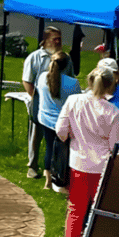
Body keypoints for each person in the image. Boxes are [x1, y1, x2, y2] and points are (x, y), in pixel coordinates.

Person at [55, 65, 119, 237]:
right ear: (111, 85)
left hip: (79, 162)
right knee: (100, 211)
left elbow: (60, 130)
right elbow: (115, 146)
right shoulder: (113, 111)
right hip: (102, 166)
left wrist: (74, 137)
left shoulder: (74, 101)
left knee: (76, 208)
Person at [22, 25, 71, 179]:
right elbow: (27, 81)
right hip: (39, 103)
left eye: (59, 39)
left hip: (60, 105)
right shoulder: (35, 57)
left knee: (57, 139)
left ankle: (55, 169)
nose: (58, 42)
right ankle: (33, 166)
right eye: (54, 39)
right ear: (45, 40)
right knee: (36, 135)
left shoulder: (66, 59)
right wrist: (37, 99)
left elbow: (70, 78)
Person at [35, 51, 81, 191]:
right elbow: (77, 101)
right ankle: (62, 179)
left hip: (46, 119)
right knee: (64, 151)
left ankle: (48, 181)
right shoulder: (73, 83)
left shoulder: (43, 77)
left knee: (49, 147)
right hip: (64, 122)